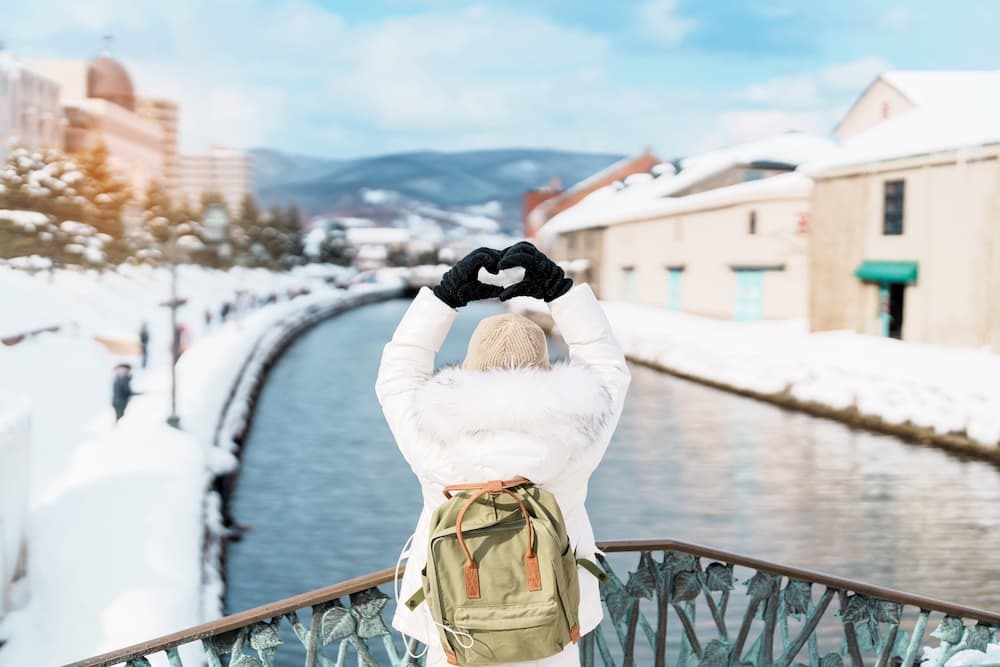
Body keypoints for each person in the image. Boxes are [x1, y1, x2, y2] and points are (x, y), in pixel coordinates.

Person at [376, 242, 631, 666]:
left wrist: (444, 298)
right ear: (545, 366)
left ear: (470, 367)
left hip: (455, 627)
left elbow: (398, 373)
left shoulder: (432, 431)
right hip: (551, 619)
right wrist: (560, 291)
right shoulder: (578, 428)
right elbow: (608, 368)